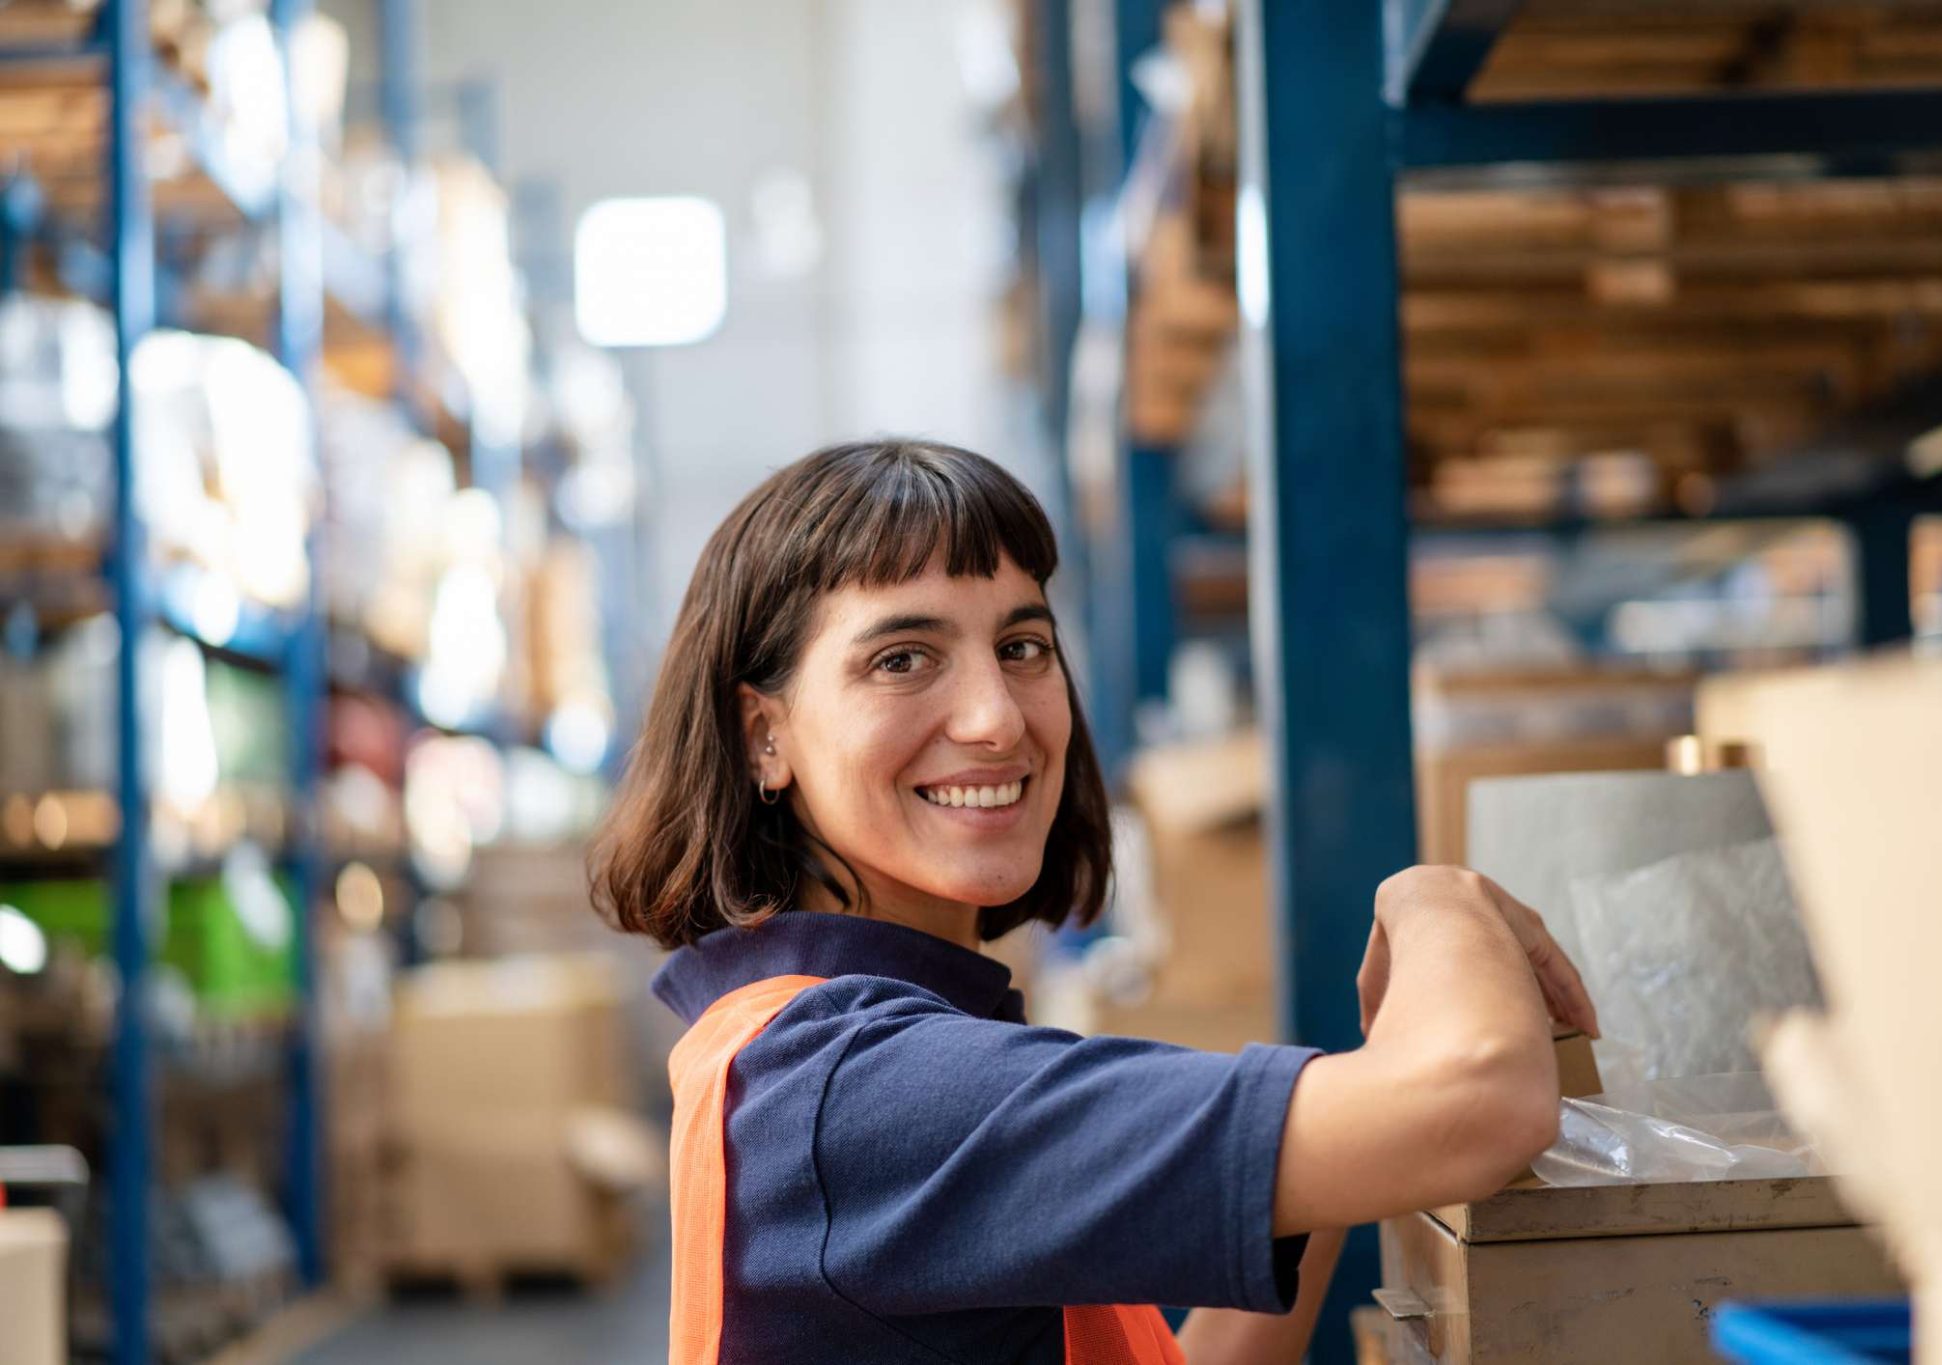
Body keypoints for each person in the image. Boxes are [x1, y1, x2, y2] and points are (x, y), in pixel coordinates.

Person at [589, 439, 1600, 1365]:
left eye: (1022, 647)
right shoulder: (865, 1091)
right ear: (763, 735)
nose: (994, 719)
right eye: (902, 659)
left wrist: (1342, 1143)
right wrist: (1435, 896)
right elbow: (1487, 1101)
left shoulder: (789, 1050)